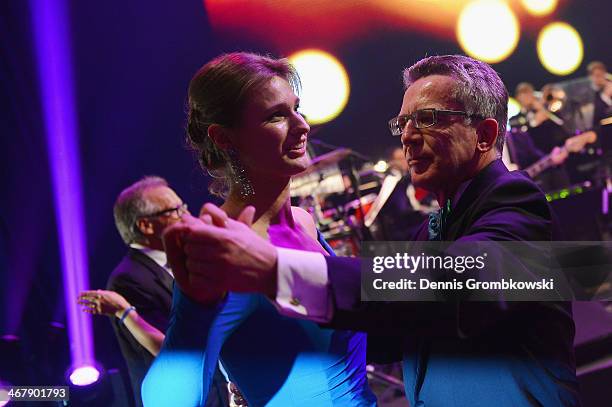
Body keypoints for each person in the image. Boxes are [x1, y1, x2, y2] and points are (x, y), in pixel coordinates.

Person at [165, 55, 581, 406]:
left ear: (485, 135)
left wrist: (275, 271)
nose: (408, 137)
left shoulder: (517, 203)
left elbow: (457, 283)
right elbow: (380, 329)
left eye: (429, 119)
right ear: (226, 139)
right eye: (403, 124)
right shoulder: (431, 232)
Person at [141, 53, 377, 407]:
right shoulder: (227, 249)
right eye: (276, 115)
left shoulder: (303, 221)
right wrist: (195, 310)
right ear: (224, 138)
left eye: (297, 108)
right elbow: (165, 401)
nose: (302, 125)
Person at [77, 176, 228, 407]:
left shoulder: (184, 260)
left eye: (184, 207)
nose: (187, 216)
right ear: (146, 225)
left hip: (215, 392)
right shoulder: (127, 279)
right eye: (176, 210)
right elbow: (169, 349)